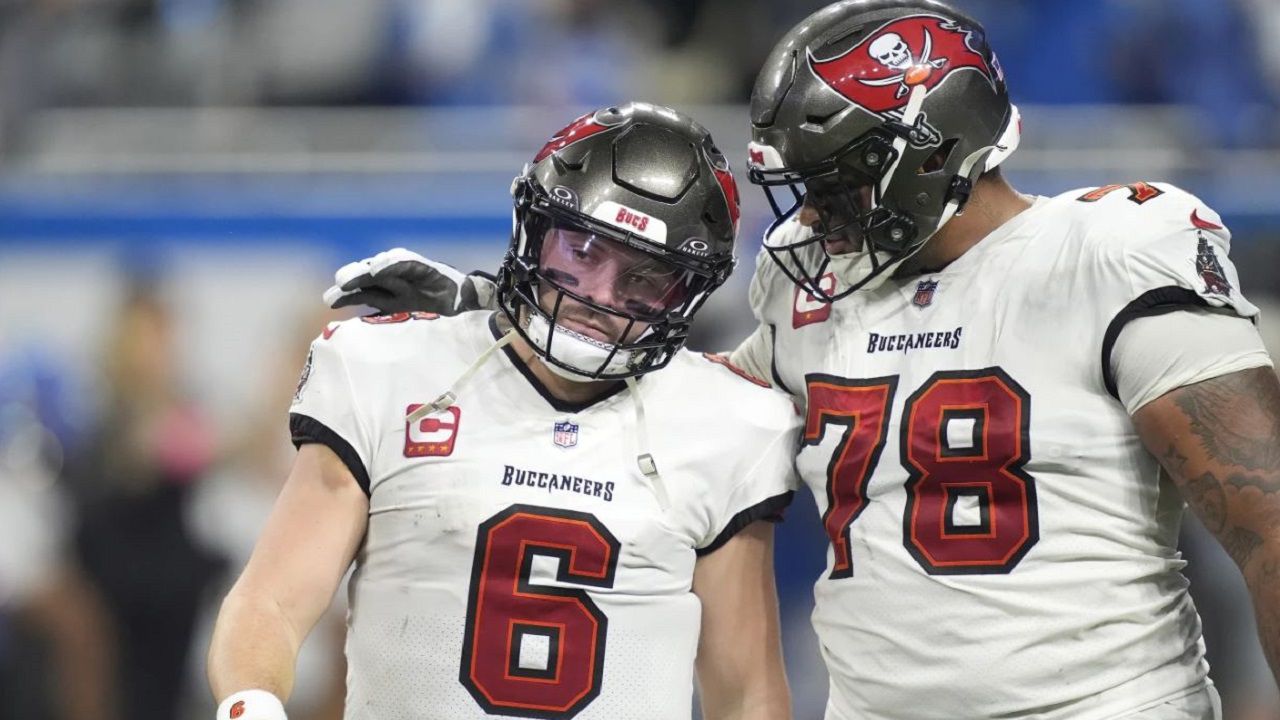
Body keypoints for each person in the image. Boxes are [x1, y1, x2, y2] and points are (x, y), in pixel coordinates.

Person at [323, 3, 1280, 718]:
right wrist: (494, 306)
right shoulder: (811, 294)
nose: (813, 218)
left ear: (932, 153)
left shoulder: (1108, 251)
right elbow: (675, 396)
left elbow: (1264, 519)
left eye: (835, 185)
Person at [207, 102, 800, 720]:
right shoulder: (390, 370)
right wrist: (251, 703)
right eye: (583, 250)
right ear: (535, 231)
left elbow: (747, 693)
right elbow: (270, 601)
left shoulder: (724, 423)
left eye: (644, 279)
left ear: (687, 293)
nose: (598, 296)